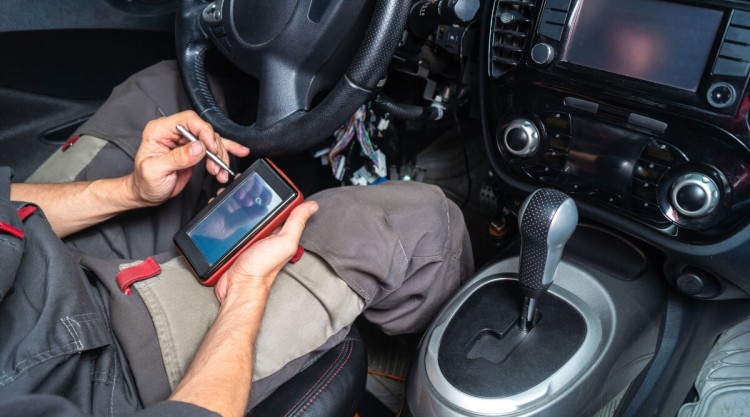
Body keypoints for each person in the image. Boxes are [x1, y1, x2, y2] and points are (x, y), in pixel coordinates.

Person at [0, 61, 474, 417]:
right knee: (427, 228)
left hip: (38, 261)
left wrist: (132, 192)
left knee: (173, 85)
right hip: (107, 375)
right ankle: (406, 368)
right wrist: (246, 290)